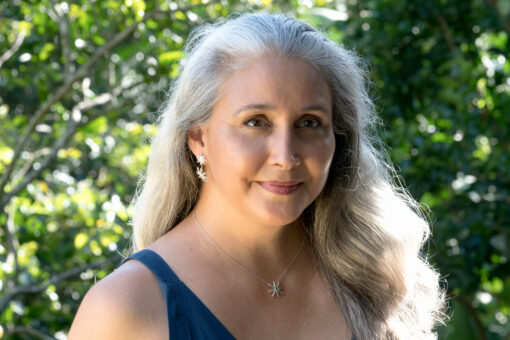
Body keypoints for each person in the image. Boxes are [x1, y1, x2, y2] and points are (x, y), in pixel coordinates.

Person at [69, 13, 444, 339]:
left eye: (310, 123)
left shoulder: (376, 281)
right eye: (256, 122)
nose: (286, 156)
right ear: (199, 139)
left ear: (338, 140)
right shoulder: (125, 307)